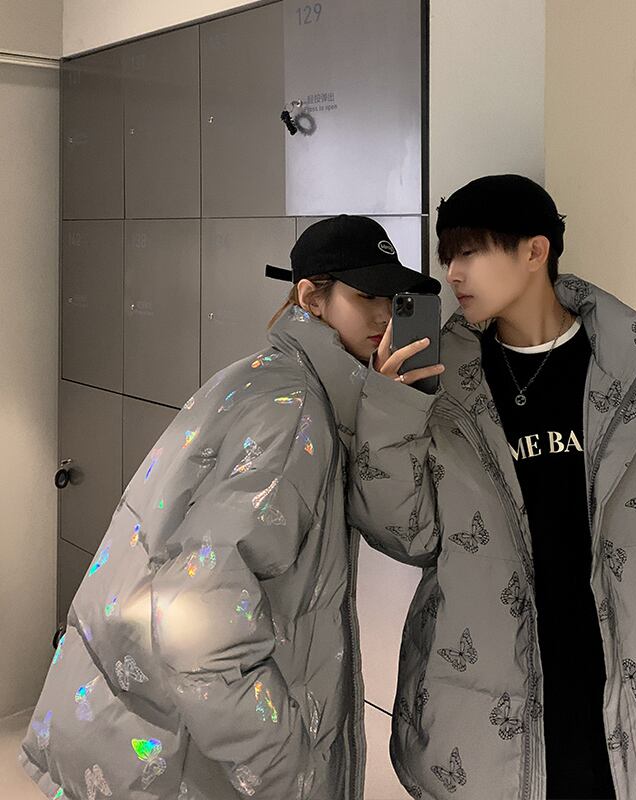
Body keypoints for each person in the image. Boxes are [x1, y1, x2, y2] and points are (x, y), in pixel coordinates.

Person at [346, 174, 636, 799]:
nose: (452, 273)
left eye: (469, 251)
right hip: (504, 712)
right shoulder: (440, 393)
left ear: (536, 251)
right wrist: (392, 409)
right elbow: (405, 534)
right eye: (447, 256)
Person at [19, 215, 439, 800]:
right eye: (366, 296)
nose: (384, 316)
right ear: (312, 298)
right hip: (186, 759)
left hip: (148, 733)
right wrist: (287, 768)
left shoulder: (269, 377)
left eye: (393, 300)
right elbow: (198, 621)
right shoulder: (294, 410)